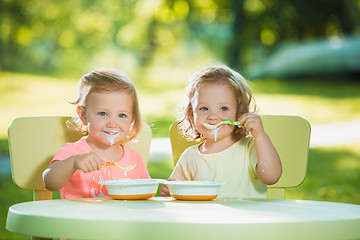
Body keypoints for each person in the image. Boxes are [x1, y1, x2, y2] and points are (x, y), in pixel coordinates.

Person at [160, 62, 282, 198]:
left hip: (247, 218)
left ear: (238, 113)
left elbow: (272, 177)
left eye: (224, 108)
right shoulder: (190, 157)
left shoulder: (250, 148)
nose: (212, 116)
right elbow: (177, 193)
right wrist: (169, 192)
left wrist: (260, 135)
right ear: (191, 114)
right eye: (203, 108)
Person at [43, 69, 150, 199]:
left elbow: (146, 195)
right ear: (83, 115)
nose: (112, 123)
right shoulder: (73, 152)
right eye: (103, 114)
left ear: (131, 119)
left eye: (122, 115)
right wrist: (73, 163)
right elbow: (50, 183)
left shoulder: (135, 159)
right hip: (78, 218)